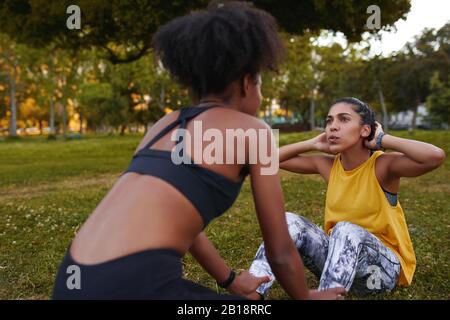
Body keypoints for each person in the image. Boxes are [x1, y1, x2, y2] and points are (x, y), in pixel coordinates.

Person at [52, 1, 345, 300]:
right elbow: (280, 251)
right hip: (134, 286)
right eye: (260, 83)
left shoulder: (163, 125)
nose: (261, 92)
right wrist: (306, 297)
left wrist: (231, 280)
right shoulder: (254, 132)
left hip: (71, 282)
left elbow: (184, 224)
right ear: (246, 82)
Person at [249, 97, 446, 298]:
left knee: (345, 229)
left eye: (343, 119)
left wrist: (382, 139)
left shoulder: (383, 166)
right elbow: (265, 159)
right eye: (329, 121)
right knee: (288, 220)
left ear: (365, 130)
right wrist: (312, 143)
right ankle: (252, 295)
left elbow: (435, 156)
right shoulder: (329, 166)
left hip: (382, 272)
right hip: (341, 265)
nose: (333, 127)